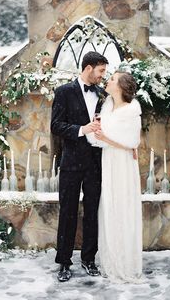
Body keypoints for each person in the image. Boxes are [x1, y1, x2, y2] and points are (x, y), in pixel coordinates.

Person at [50, 51, 109, 282]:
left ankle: (89, 259)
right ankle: (64, 262)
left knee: (92, 212)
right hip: (71, 163)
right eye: (101, 71)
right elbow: (56, 125)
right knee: (68, 212)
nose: (102, 76)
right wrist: (81, 129)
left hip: (96, 163)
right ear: (88, 68)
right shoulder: (64, 92)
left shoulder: (103, 94)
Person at [94, 71, 143, 283]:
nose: (108, 80)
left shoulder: (132, 109)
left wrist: (105, 137)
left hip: (123, 163)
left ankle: (125, 262)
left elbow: (132, 141)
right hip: (109, 160)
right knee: (110, 206)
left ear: (121, 87)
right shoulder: (106, 107)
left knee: (123, 207)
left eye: (112, 79)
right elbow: (97, 137)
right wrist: (97, 133)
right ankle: (111, 259)